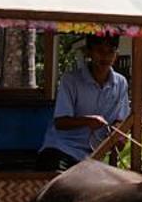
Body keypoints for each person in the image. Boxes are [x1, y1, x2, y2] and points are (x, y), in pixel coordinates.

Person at [36, 34, 131, 172]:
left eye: (110, 52)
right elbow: (60, 122)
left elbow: (120, 120)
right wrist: (87, 121)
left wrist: (119, 135)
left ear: (116, 55)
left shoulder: (120, 83)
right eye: (99, 51)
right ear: (89, 52)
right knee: (61, 182)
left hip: (93, 157)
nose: (105, 57)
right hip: (62, 150)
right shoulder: (70, 80)